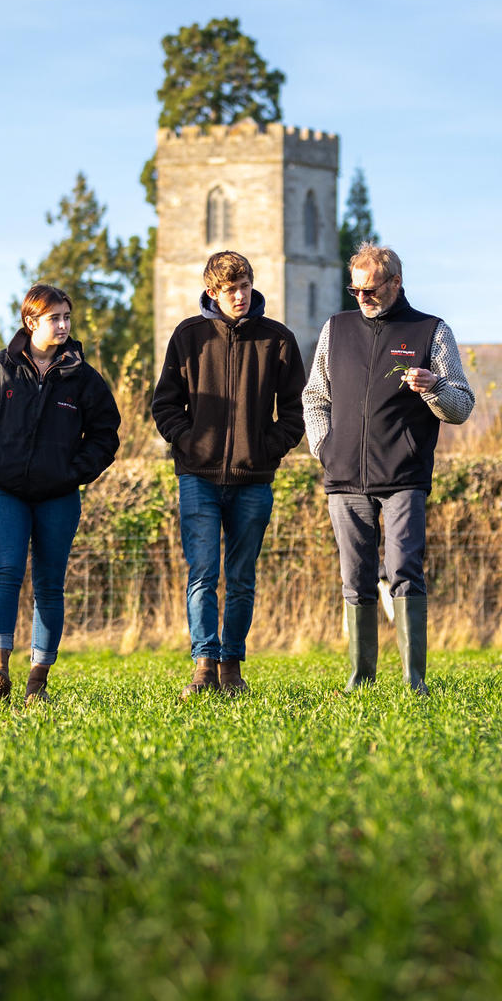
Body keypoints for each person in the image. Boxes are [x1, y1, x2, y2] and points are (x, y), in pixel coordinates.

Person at [303, 242, 475, 695]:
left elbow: (462, 407)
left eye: (371, 290)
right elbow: (314, 397)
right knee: (355, 577)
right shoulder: (335, 329)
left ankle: (413, 680)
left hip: (403, 476)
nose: (362, 299)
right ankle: (361, 679)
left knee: (404, 570)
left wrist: (435, 388)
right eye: (355, 290)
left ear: (396, 283)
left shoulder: (431, 332)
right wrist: (325, 447)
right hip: (343, 478)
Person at [0, 284, 121, 704]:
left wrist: (76, 472)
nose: (64, 325)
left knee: (49, 586)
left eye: (67, 317)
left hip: (59, 497)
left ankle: (37, 681)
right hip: (7, 492)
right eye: (55, 318)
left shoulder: (82, 378)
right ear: (31, 322)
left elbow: (105, 433)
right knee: (6, 573)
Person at [152, 251, 305, 697]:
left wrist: (265, 451)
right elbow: (165, 405)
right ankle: (203, 666)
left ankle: (232, 668)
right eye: (230, 289)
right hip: (197, 477)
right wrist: (191, 442)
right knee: (202, 573)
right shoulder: (188, 336)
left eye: (245, 286)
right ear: (212, 292)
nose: (240, 296)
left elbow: (295, 413)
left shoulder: (278, 340)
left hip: (253, 481)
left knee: (240, 577)